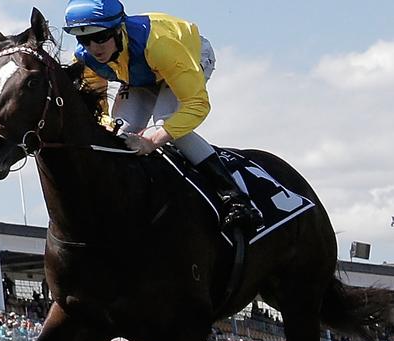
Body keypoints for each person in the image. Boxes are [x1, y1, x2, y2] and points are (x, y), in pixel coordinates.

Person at [63, 0, 263, 231]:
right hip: (143, 72)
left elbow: (197, 105)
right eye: (83, 39)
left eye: (100, 37)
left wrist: (152, 140)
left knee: (165, 122)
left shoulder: (160, 46)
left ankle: (235, 198)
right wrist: (106, 124)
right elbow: (97, 102)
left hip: (185, 55)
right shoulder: (85, 58)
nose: (94, 47)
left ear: (119, 29)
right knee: (120, 131)